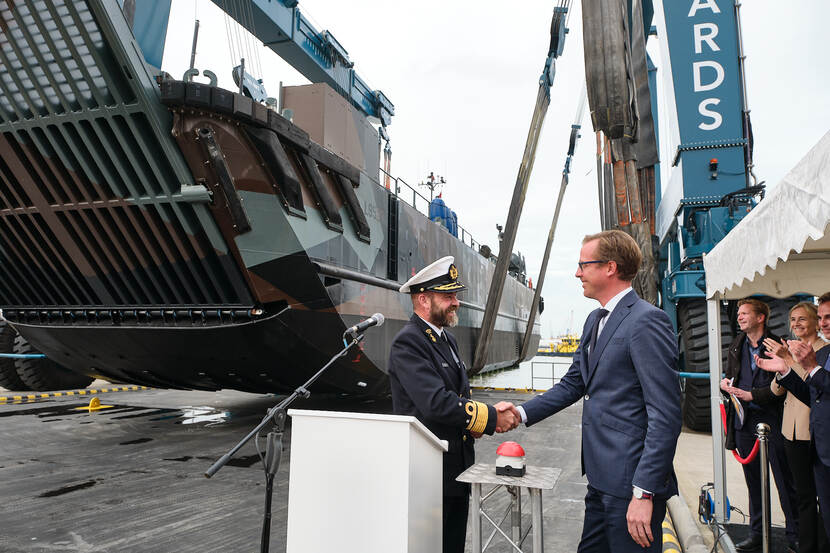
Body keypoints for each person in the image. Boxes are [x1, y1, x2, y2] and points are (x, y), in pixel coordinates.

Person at [501, 230, 681, 553]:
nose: (577, 272)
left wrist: (644, 493)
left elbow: (665, 415)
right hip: (599, 480)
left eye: (583, 264)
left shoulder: (646, 322)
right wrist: (520, 412)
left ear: (610, 267)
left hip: (631, 486)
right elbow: (574, 384)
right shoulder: (594, 321)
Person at [387, 255, 516, 553]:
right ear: (423, 299)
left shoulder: (448, 341)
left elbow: (460, 396)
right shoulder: (409, 343)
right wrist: (492, 417)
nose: (456, 302)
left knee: (453, 545)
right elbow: (436, 403)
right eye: (448, 296)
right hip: (427, 472)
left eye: (455, 295)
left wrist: (475, 426)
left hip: (457, 469)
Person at [720, 299, 798, 552]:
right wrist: (726, 385)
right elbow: (730, 374)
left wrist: (755, 396)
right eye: (739, 314)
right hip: (744, 423)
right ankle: (756, 533)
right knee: (754, 482)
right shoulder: (736, 345)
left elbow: (785, 381)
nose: (739, 317)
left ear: (760, 317)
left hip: (773, 420)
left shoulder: (776, 344)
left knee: (784, 480)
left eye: (744, 314)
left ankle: (794, 535)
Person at [757, 292, 830, 547]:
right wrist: (781, 368)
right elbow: (781, 389)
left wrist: (788, 362)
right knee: (803, 494)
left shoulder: (822, 350)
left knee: (817, 497)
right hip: (793, 430)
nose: (796, 324)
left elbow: (812, 384)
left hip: (815, 432)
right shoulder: (791, 349)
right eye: (792, 319)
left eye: (802, 319)